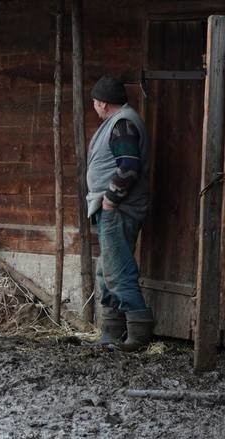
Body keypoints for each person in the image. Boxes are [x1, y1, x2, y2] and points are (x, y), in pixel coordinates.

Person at [86, 76, 153, 351]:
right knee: (106, 271)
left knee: (119, 271)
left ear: (102, 103)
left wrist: (111, 199)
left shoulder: (122, 124)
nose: (94, 106)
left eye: (94, 102)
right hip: (114, 210)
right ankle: (111, 332)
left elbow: (129, 166)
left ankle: (138, 335)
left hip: (118, 209)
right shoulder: (120, 122)